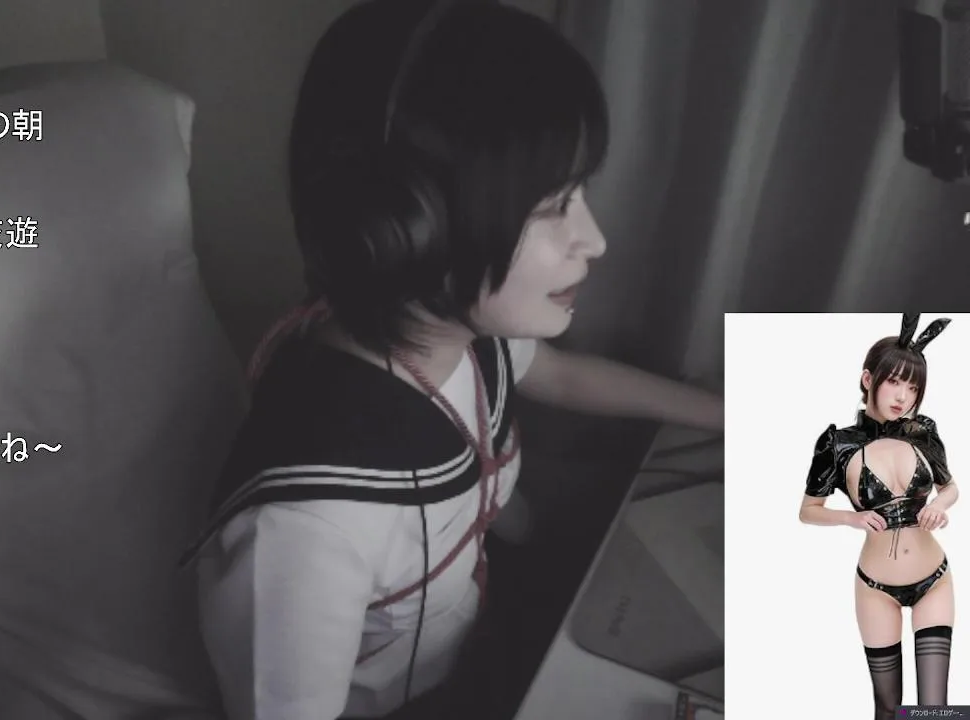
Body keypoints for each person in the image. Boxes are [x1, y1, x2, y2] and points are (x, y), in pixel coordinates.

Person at [179, 1, 724, 718]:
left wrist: (729, 413)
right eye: (551, 206)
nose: (593, 240)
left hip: (487, 634)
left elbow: (561, 375)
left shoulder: (460, 333)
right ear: (413, 230)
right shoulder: (307, 533)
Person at [800, 313, 959, 719]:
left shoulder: (923, 431)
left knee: (934, 709)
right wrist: (850, 519)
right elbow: (808, 511)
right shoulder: (838, 444)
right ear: (869, 379)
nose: (903, 396)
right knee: (888, 708)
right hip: (875, 588)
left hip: (934, 579)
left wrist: (939, 505)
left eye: (913, 387)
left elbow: (951, 487)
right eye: (895, 382)